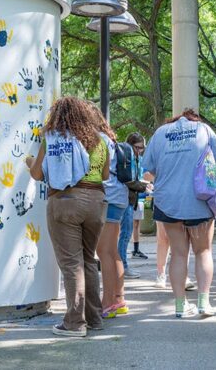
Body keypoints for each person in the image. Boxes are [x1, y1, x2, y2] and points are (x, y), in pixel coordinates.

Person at [26, 96, 109, 337]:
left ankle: (74, 323)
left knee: (72, 264)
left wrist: (30, 161)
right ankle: (94, 318)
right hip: (95, 202)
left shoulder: (51, 138)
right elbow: (104, 174)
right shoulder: (99, 140)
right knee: (88, 260)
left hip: (65, 202)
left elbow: (38, 174)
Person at [142, 109, 216, 317]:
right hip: (199, 200)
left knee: (178, 253)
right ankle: (204, 303)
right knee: (203, 252)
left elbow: (148, 170)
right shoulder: (204, 129)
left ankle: (180, 306)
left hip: (167, 201)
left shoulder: (160, 133)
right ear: (194, 119)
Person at [95, 112, 130, 318]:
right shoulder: (109, 138)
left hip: (107, 196)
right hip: (118, 196)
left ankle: (106, 303)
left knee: (104, 252)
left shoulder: (98, 139)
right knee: (113, 251)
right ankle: (118, 299)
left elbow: (99, 172)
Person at [118, 132, 147, 279]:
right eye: (138, 147)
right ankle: (122, 266)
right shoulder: (127, 158)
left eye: (142, 148)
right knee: (125, 234)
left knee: (126, 234)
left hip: (130, 200)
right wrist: (144, 187)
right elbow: (128, 180)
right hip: (126, 200)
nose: (140, 151)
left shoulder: (136, 159)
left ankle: (122, 265)